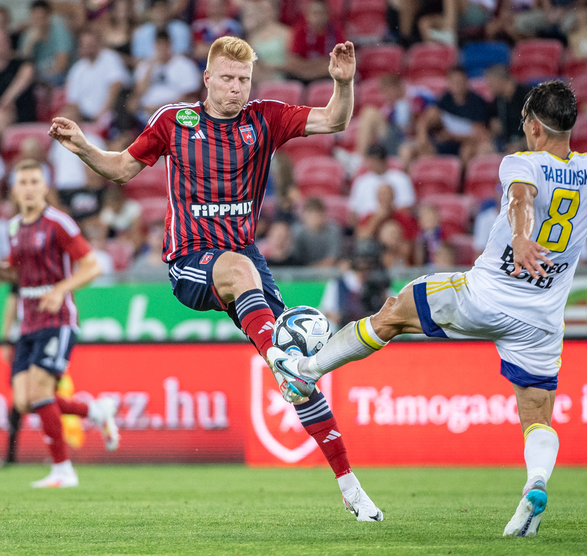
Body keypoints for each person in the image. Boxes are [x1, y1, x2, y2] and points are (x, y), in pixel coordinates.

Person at [270, 81, 587, 537]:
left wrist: (521, 237)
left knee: (393, 312)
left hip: (484, 298)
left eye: (524, 122)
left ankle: (307, 370)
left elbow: (522, 198)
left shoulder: (522, 162)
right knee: (537, 417)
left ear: (535, 126)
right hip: (541, 321)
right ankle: (535, 485)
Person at [48, 36, 384, 521]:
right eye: (227, 78)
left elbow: (334, 119)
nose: (236, 88)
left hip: (245, 263)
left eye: (243, 80)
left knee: (302, 378)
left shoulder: (266, 118)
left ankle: (351, 487)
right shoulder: (174, 121)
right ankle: (280, 359)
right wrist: (83, 146)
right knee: (256, 301)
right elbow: (121, 169)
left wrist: (343, 83)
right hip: (189, 261)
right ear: (207, 79)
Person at [0, 159, 120, 488]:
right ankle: (95, 412)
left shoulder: (58, 223)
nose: (29, 188)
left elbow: (92, 266)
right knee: (25, 401)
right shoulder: (13, 227)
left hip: (58, 319)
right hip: (28, 323)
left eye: (35, 182)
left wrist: (61, 289)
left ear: (45, 187)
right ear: (14, 189)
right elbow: (15, 275)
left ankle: (63, 470)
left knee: (40, 392)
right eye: (23, 182)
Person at [128, 30, 201, 124]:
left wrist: (161, 108)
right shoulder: (146, 64)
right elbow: (138, 93)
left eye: (164, 45)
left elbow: (190, 96)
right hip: (147, 113)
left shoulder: (184, 64)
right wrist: (149, 69)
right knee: (130, 104)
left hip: (174, 113)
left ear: (170, 45)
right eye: (159, 46)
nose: (162, 49)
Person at [65, 27, 130, 123]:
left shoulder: (110, 57)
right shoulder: (77, 68)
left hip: (108, 114)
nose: (88, 48)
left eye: (90, 44)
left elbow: (116, 86)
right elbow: (73, 100)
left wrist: (103, 111)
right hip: (83, 116)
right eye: (85, 45)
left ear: (98, 43)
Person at [18, 0, 74, 86]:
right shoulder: (26, 36)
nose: (39, 22)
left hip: (58, 78)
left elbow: (61, 63)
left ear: (48, 16)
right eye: (36, 18)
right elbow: (22, 64)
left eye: (42, 18)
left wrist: (44, 80)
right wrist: (30, 44)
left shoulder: (60, 31)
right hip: (35, 80)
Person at [291, 197, 342, 267]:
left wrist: (309, 269)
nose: (314, 219)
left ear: (323, 215)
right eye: (311, 215)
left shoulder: (333, 231)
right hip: (302, 272)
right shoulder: (297, 233)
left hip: (328, 272)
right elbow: (294, 260)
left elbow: (332, 260)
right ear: (304, 215)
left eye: (317, 215)